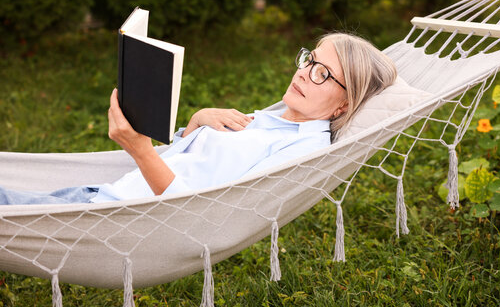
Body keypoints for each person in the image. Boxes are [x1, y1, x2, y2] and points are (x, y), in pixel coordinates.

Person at [0, 32, 397, 205]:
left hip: (113, 212)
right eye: (310, 59)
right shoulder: (274, 121)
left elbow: (194, 210)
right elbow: (196, 168)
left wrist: (140, 150)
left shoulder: (301, 150)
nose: (303, 72)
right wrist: (195, 123)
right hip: (105, 193)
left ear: (344, 106)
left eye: (323, 73)